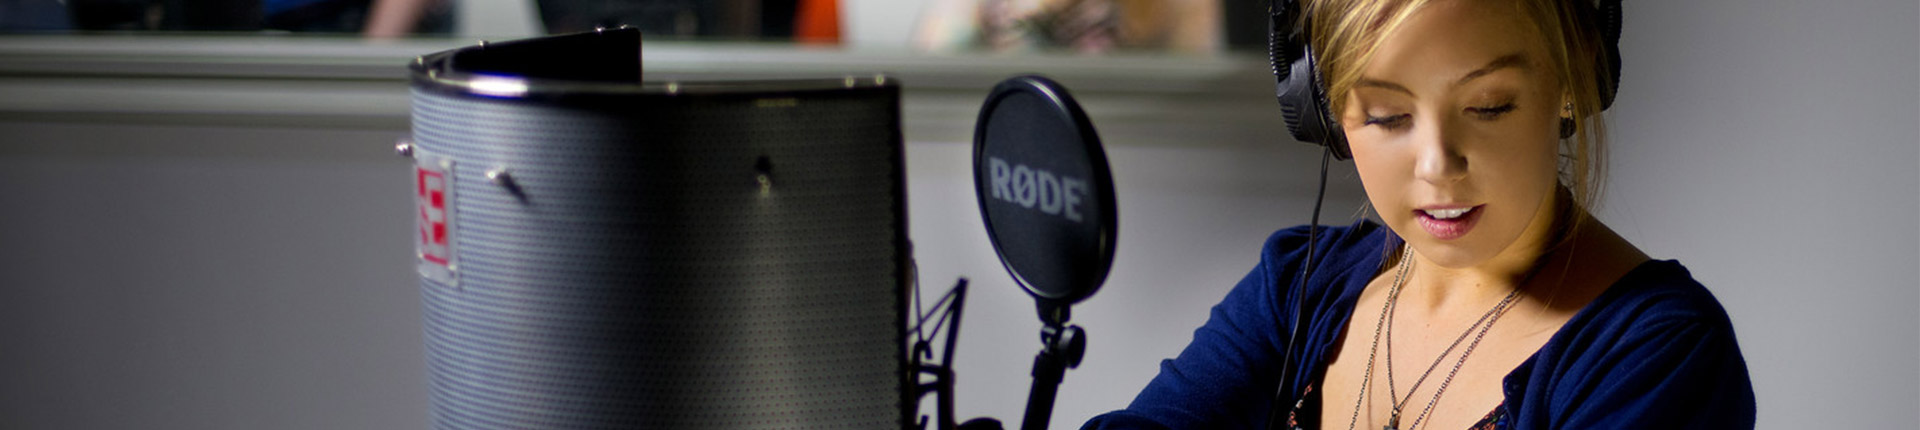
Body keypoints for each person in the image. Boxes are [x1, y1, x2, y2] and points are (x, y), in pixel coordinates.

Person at [1082, 0, 1756, 429]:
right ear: (1324, 110)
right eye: (1388, 116)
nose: (1437, 163)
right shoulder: (1294, 288)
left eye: (1489, 106)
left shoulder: (1657, 356)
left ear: (1572, 83)